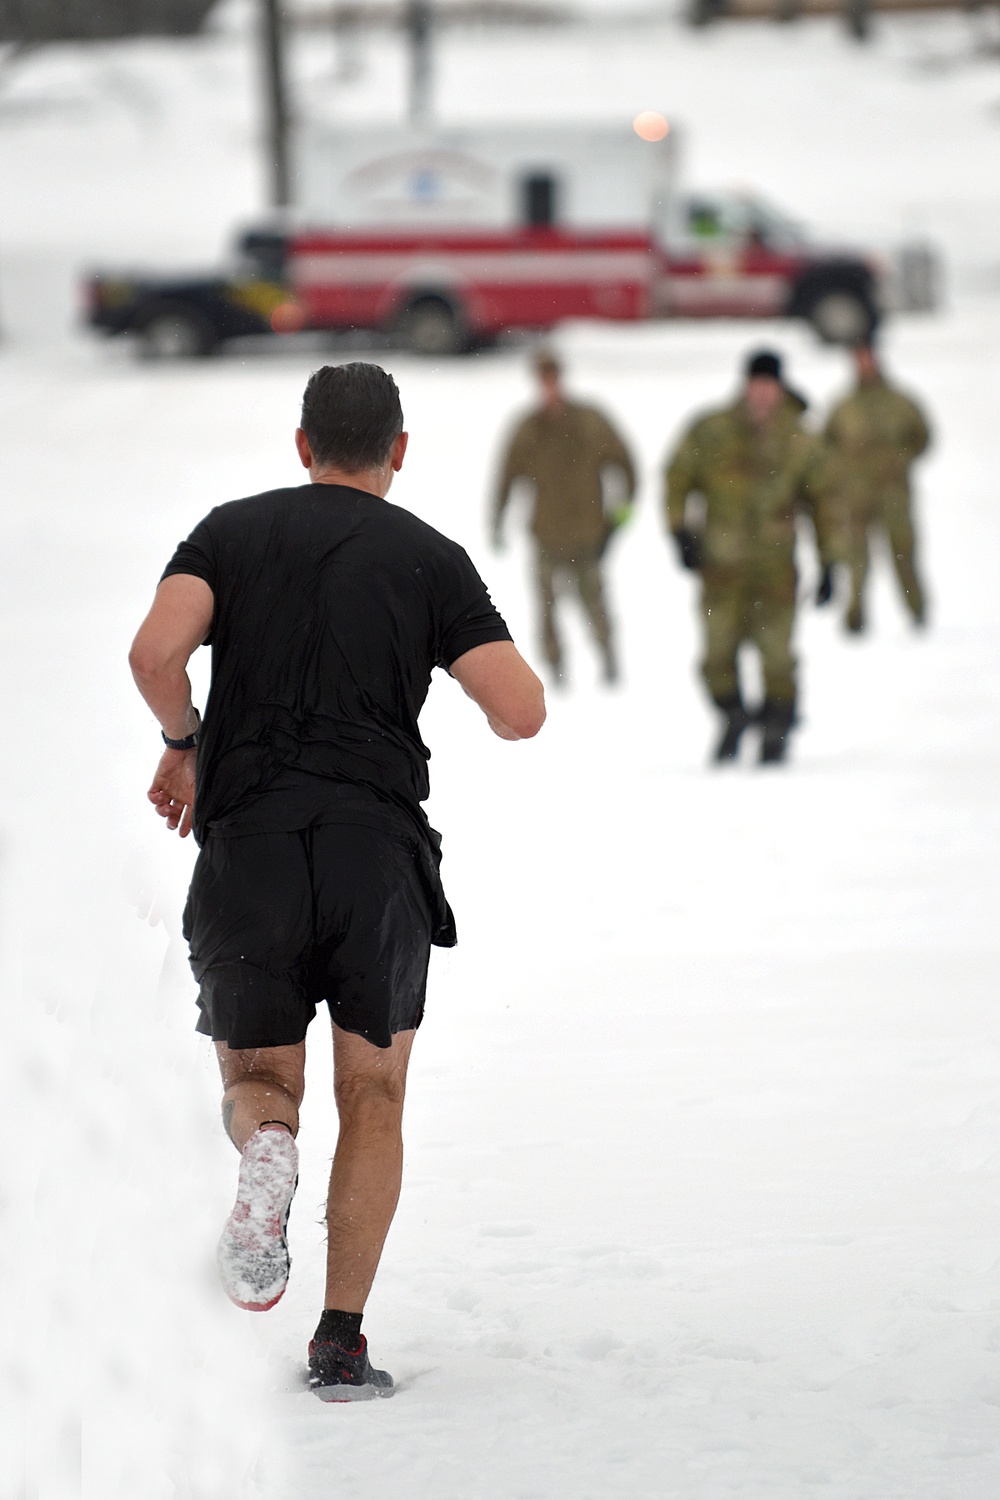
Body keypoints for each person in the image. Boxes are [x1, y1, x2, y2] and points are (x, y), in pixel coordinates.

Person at [129, 363, 545, 1402]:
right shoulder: (429, 560)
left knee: (261, 1082)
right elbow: (520, 709)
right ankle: (342, 1343)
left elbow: (152, 653)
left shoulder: (230, 533)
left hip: (250, 848)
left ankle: (267, 1148)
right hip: (374, 854)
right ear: (397, 449)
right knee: (374, 1091)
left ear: (302, 443)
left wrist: (186, 737)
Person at [663, 349, 832, 765]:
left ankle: (776, 728)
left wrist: (831, 562)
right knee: (716, 655)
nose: (761, 394)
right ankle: (732, 716)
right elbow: (677, 477)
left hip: (775, 571)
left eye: (769, 386)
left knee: (777, 656)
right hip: (720, 568)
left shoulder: (800, 439)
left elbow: (825, 503)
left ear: (778, 388)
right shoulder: (711, 431)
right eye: (755, 385)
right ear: (745, 386)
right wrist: (680, 531)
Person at [492, 351, 636, 686]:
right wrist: (497, 521)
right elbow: (506, 476)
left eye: (553, 378)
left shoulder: (590, 422)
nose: (549, 387)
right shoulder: (528, 429)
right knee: (546, 609)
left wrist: (621, 513)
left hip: (588, 534)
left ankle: (609, 663)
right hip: (546, 534)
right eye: (543, 380)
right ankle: (556, 670)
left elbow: (625, 463)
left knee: (595, 604)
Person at [820, 341, 931, 633]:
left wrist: (900, 460)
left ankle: (917, 614)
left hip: (893, 494)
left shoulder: (900, 402)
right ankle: (855, 618)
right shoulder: (843, 406)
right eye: (859, 358)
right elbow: (824, 446)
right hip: (855, 497)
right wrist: (841, 472)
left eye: (868, 357)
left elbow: (922, 436)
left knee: (904, 556)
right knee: (855, 560)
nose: (864, 363)